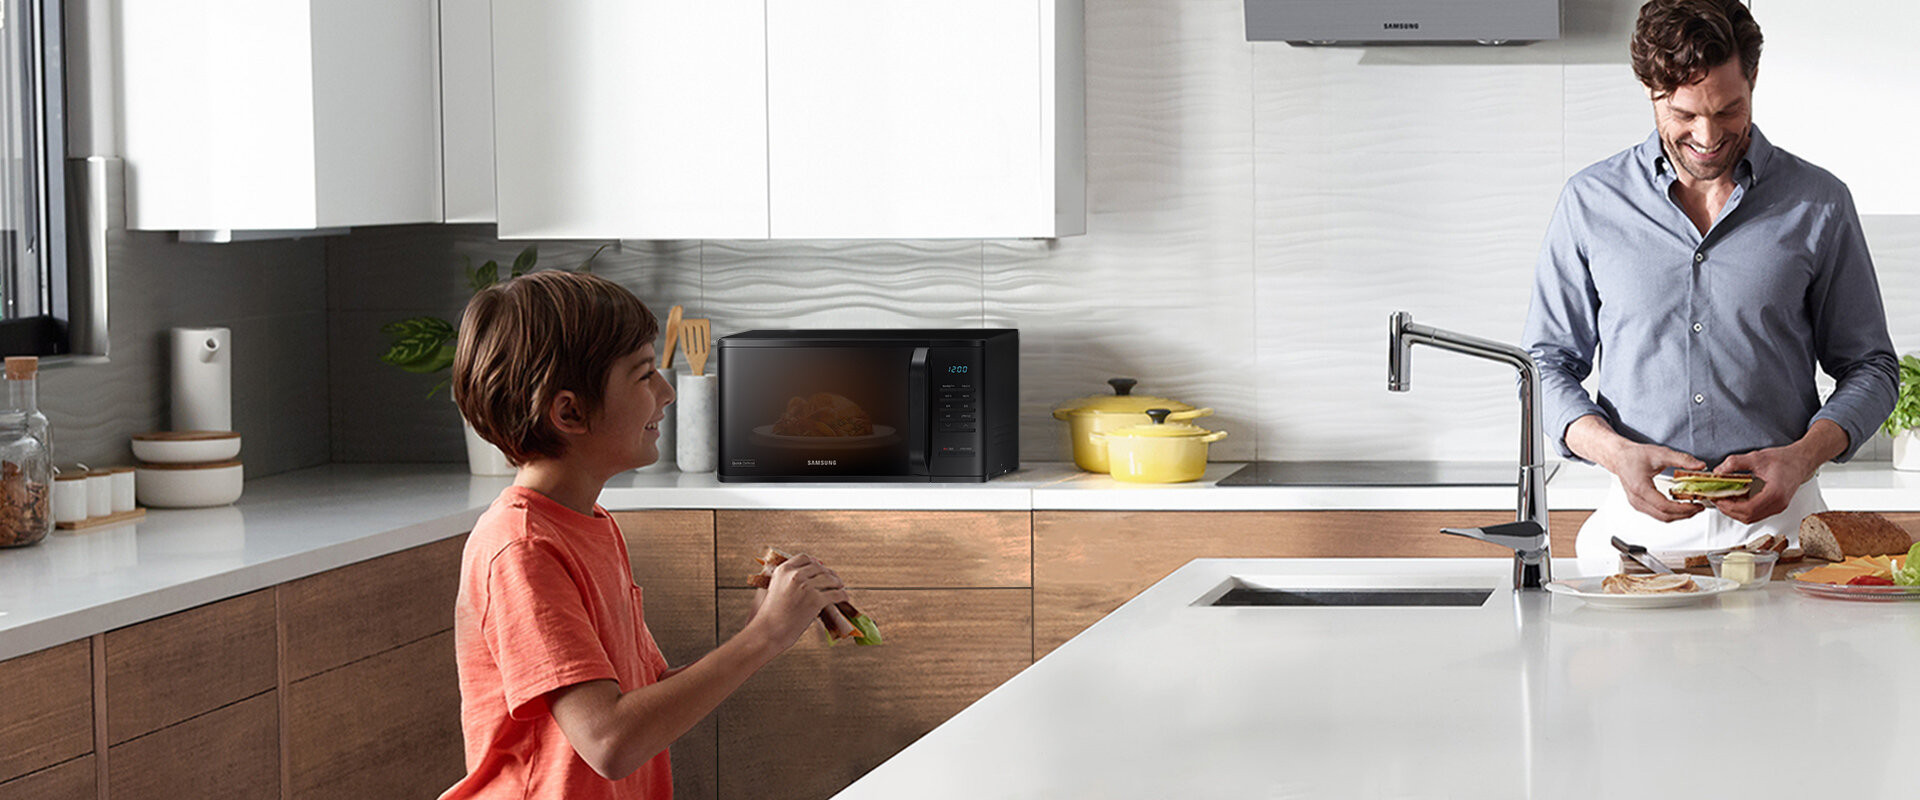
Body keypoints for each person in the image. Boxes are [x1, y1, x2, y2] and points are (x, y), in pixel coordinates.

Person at [439, 270, 849, 799]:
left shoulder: (589, 523)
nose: (667, 391)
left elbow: (641, 699)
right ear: (569, 411)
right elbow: (609, 741)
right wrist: (762, 637)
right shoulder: (522, 548)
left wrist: (759, 629)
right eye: (645, 374)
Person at [1522, 0, 1899, 575]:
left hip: (1783, 533)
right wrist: (1614, 453)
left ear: (1753, 80)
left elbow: (1871, 367)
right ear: (1649, 90)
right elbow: (1545, 365)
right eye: (1684, 114)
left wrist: (1802, 457)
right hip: (1635, 535)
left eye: (1729, 110)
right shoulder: (1589, 203)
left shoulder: (1819, 203)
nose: (1708, 136)